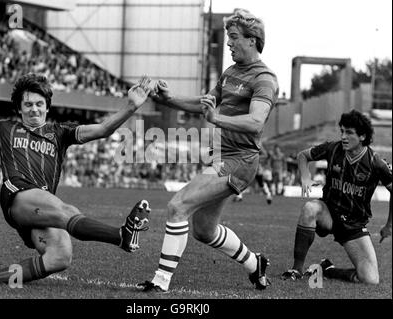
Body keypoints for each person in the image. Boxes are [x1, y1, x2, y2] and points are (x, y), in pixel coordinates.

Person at [0, 62, 152, 285]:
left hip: (41, 209)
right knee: (66, 210)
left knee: (60, 257)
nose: (34, 109)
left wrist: (131, 107)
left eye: (39, 104)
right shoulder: (3, 128)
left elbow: (103, 129)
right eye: (28, 104)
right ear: (19, 108)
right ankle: (121, 236)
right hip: (17, 195)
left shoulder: (61, 133)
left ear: (47, 107)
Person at [138, 8, 279, 292]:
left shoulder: (264, 79)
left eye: (234, 38)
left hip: (239, 161)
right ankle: (255, 264)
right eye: (228, 37)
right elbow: (205, 104)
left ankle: (160, 281)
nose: (228, 44)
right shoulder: (230, 73)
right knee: (204, 230)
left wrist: (217, 119)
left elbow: (255, 122)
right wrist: (167, 99)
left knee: (178, 206)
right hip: (221, 157)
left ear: (252, 40)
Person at [282, 110, 392, 284]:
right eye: (342, 131)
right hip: (329, 214)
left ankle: (328, 270)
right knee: (310, 208)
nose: (343, 137)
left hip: (354, 225)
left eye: (349, 133)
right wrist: (305, 177)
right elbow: (303, 155)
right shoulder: (333, 149)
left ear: (362, 136)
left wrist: (389, 225)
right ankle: (296, 268)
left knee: (370, 279)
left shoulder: (375, 162)